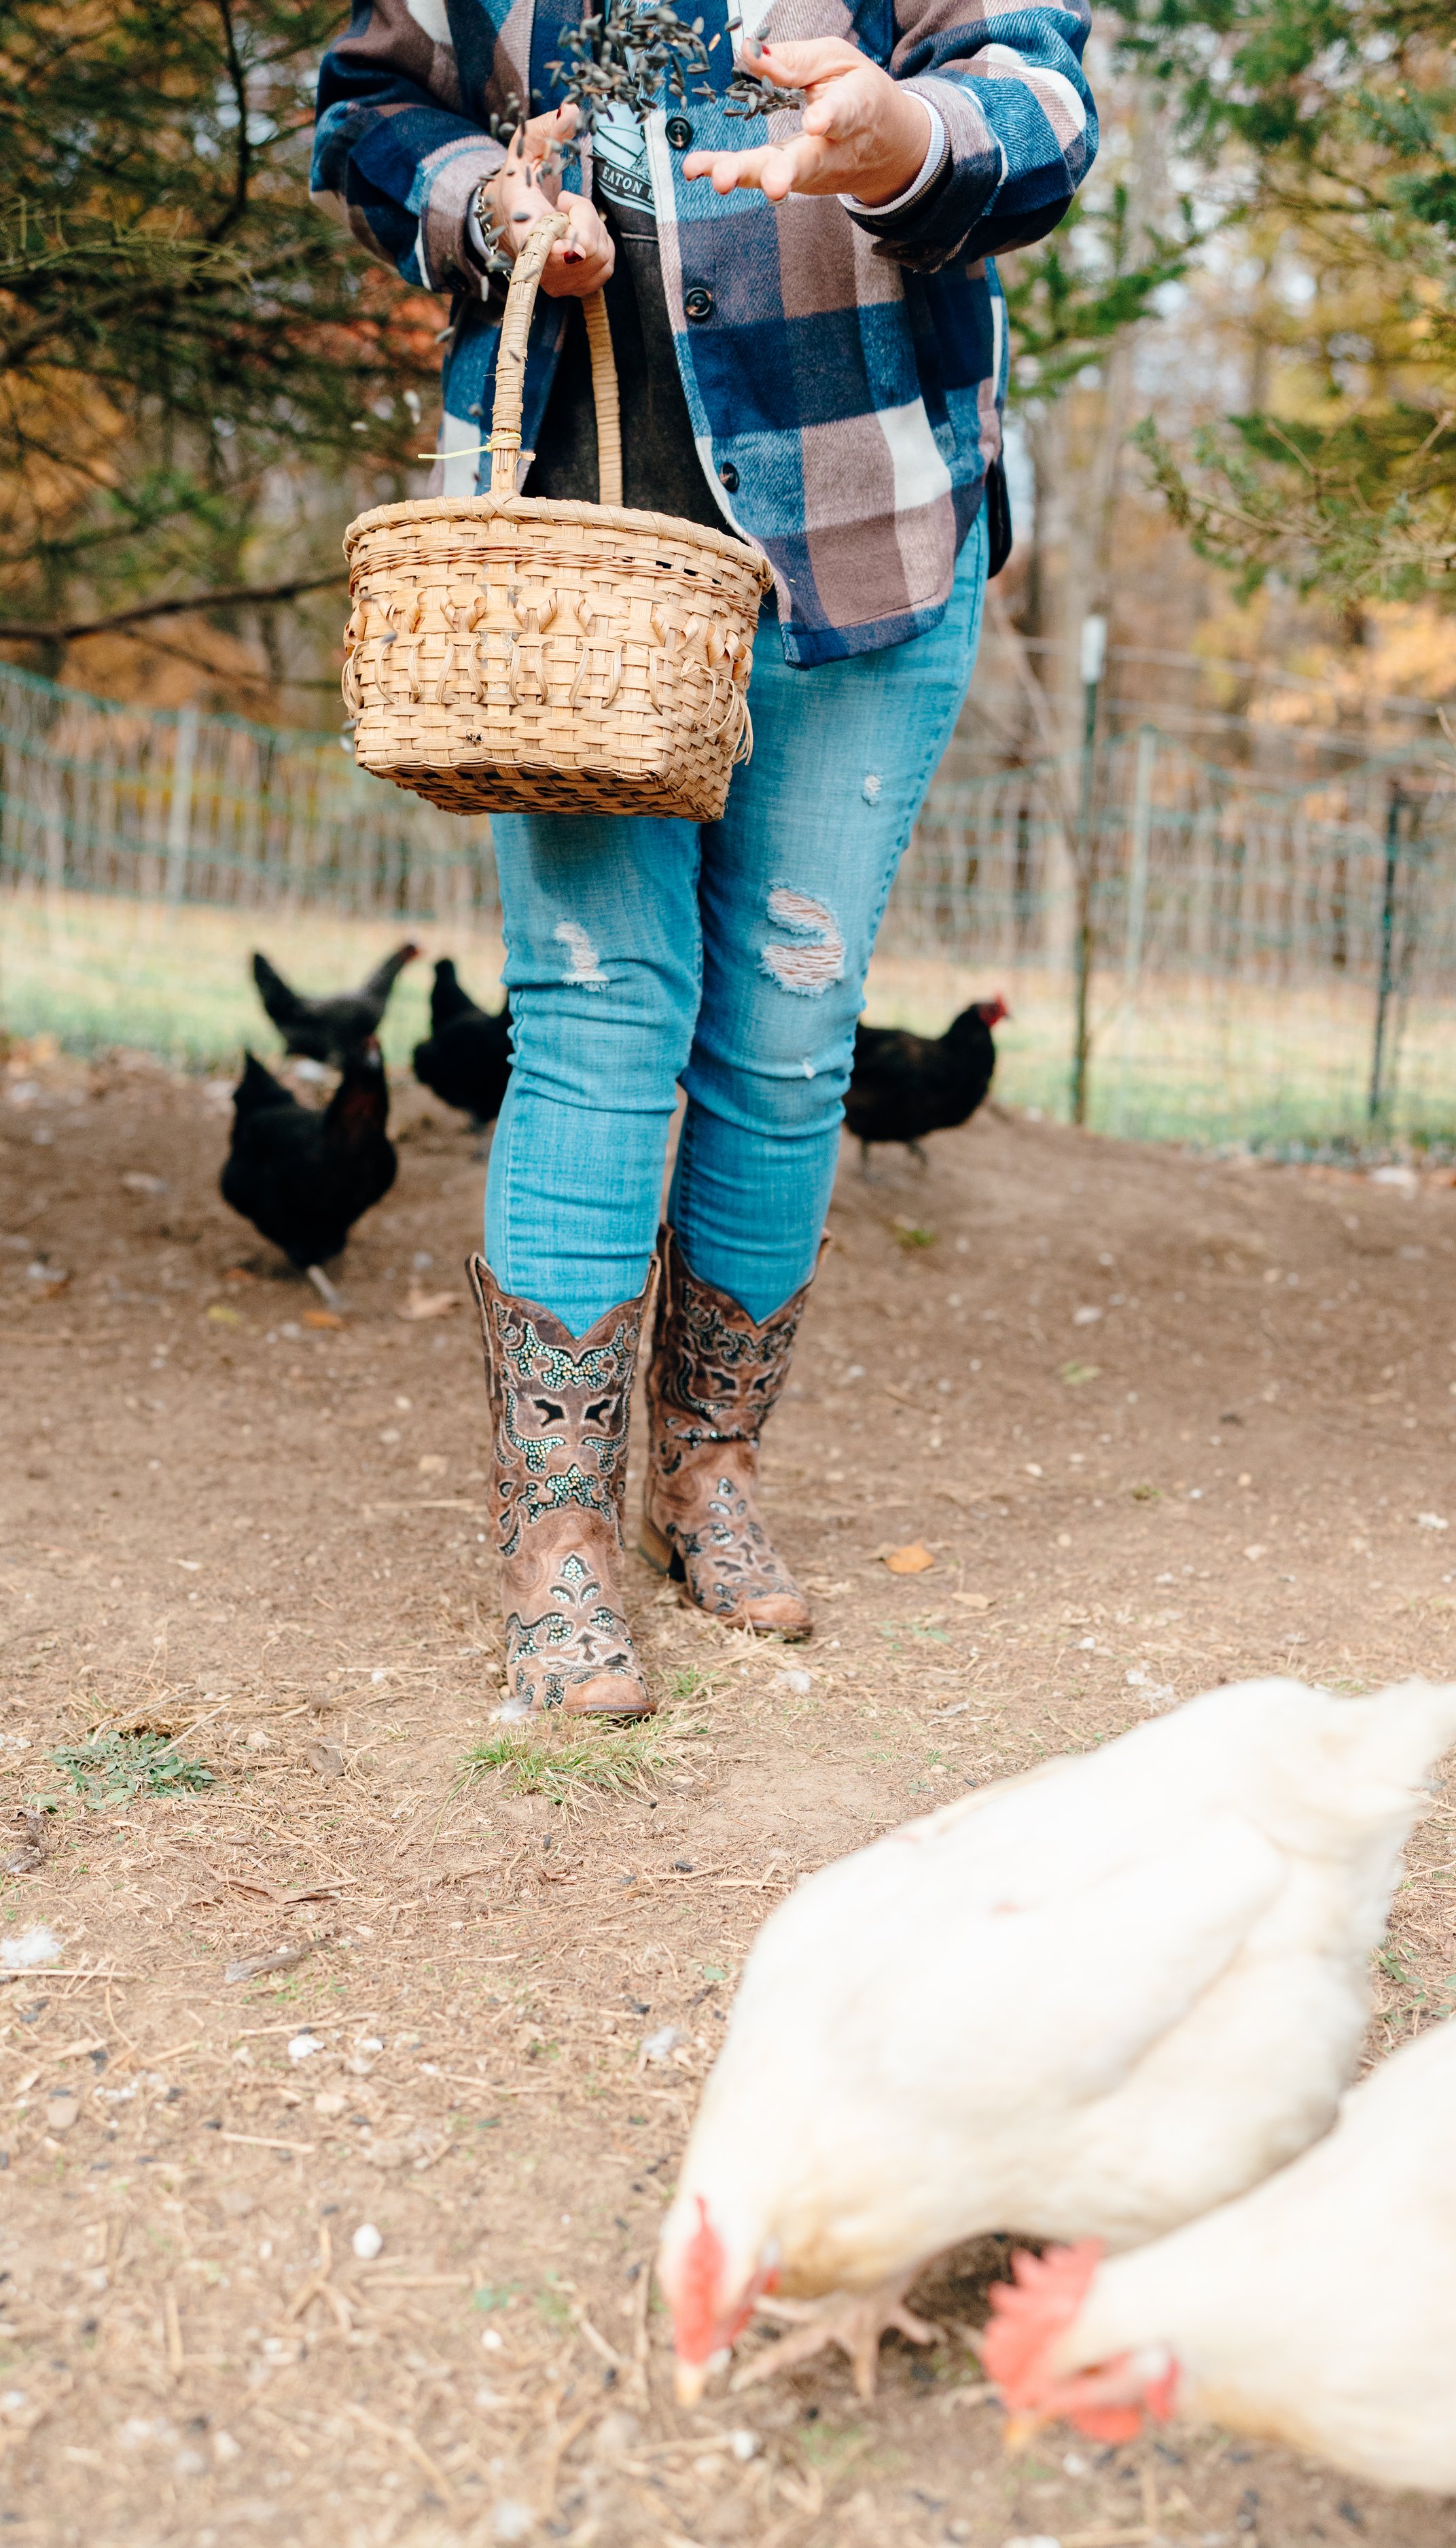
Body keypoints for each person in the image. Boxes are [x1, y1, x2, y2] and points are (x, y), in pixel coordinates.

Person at [313, 0, 1095, 1720]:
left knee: (792, 1031)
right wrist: (488, 205)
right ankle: (558, 1540)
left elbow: (1041, 96)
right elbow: (369, 106)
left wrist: (898, 136)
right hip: (572, 544)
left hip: (867, 516)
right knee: (598, 1020)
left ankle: (708, 1474)